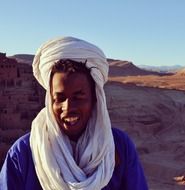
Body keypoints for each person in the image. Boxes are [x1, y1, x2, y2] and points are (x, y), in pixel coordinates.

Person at [0, 37, 148, 190]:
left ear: (95, 99)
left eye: (78, 97)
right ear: (49, 100)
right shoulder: (23, 154)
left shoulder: (118, 146)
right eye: (60, 98)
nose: (68, 107)